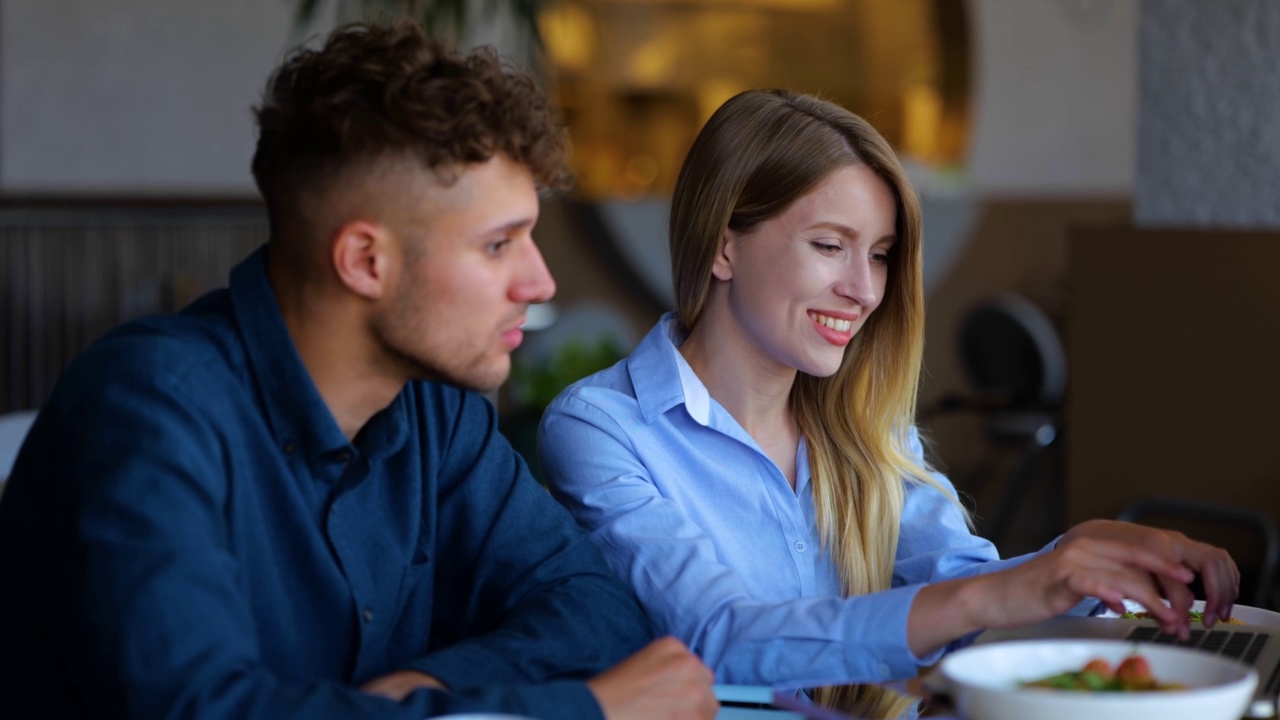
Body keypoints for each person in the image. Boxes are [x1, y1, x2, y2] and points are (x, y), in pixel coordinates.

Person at [0, 20, 717, 720]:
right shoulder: (144, 411)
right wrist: (578, 709)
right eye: (499, 245)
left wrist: (414, 692)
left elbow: (594, 612)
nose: (540, 282)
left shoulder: (439, 408)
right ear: (365, 262)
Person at [537, 89, 1238, 714]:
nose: (866, 291)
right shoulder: (602, 427)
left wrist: (1085, 566)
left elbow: (962, 588)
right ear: (725, 247)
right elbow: (716, 634)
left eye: (878, 254)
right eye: (829, 245)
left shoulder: (866, 422)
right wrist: (1001, 592)